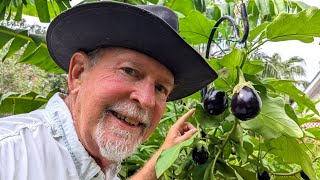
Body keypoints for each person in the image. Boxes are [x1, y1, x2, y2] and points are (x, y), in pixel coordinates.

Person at [0, 1, 217, 180]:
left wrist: (165, 151)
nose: (147, 100)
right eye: (130, 71)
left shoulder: (101, 166)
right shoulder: (9, 156)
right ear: (78, 73)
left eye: (160, 88)